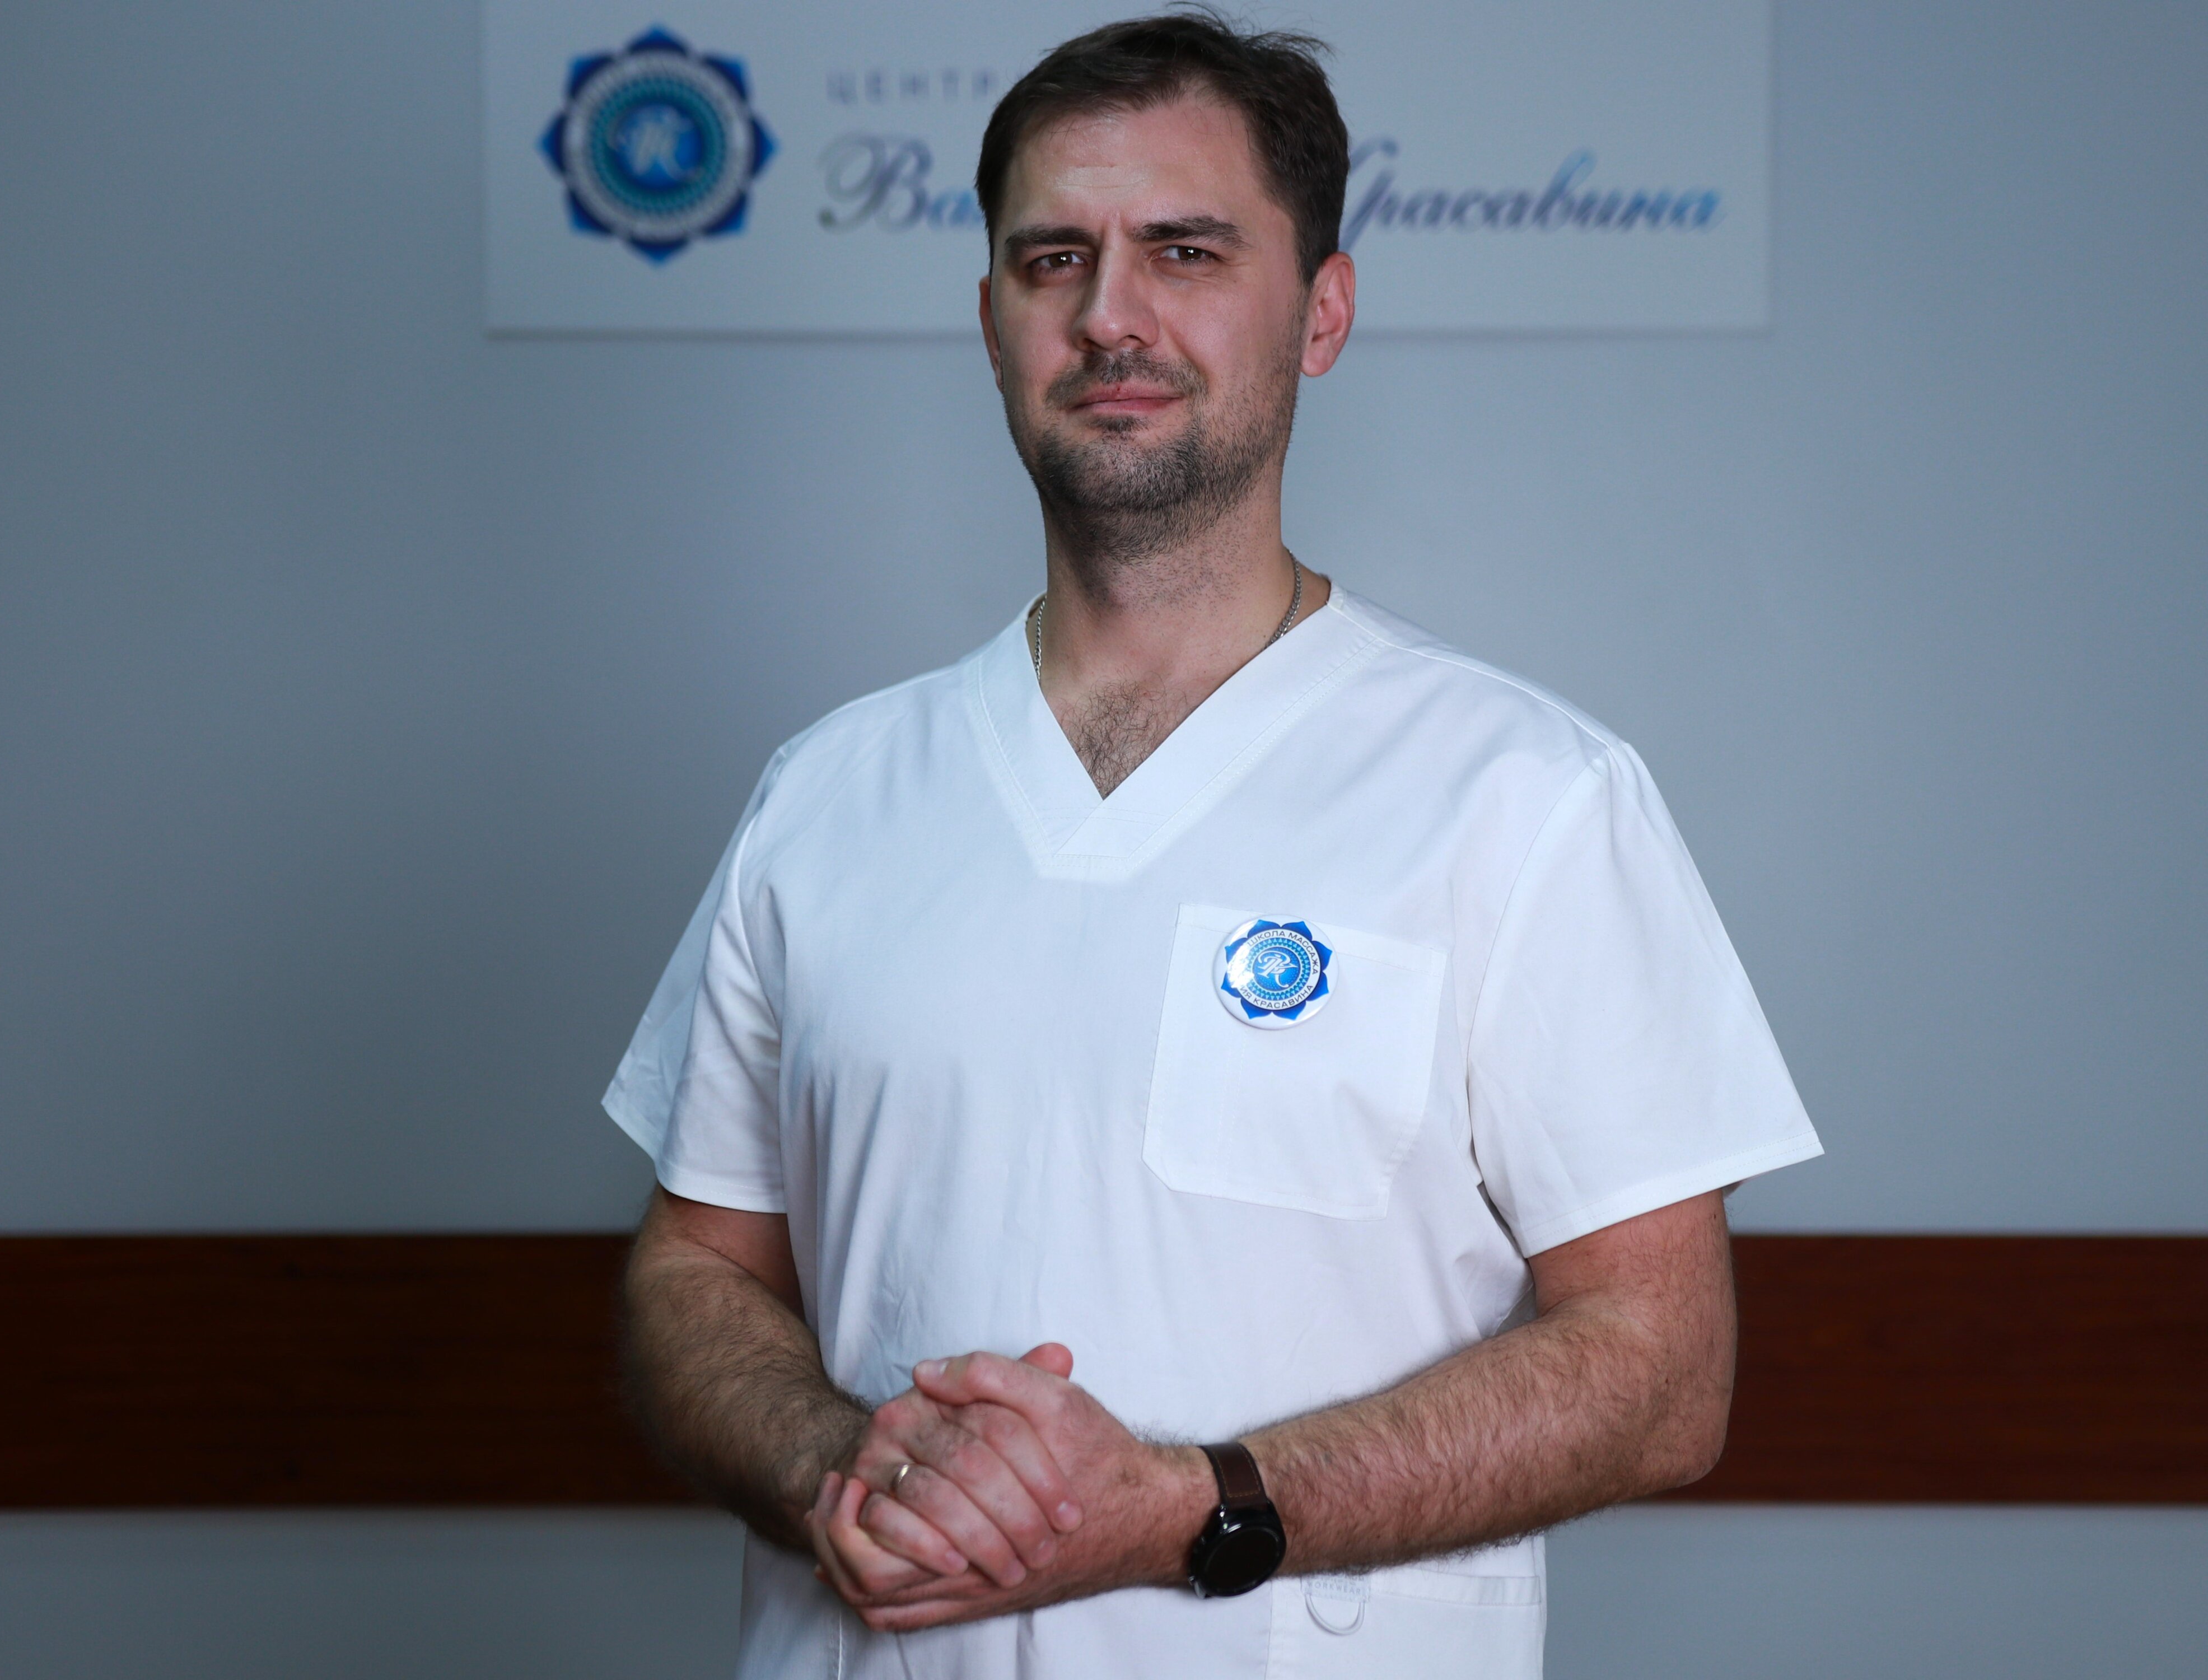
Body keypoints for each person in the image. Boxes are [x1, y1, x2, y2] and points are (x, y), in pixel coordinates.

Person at [604, 12, 1820, 1678]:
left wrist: (1193, 1506)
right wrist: (834, 1461)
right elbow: (694, 1267)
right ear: (990, 320)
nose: (1112, 315)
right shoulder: (825, 797)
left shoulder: (1526, 797)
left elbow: (1663, 1371)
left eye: (1186, 252)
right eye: (1054, 260)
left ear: (1321, 310)